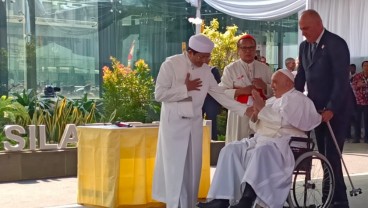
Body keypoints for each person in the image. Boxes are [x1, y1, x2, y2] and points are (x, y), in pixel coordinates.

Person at [197, 69, 321, 208]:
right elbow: (257, 126)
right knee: (230, 149)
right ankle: (222, 198)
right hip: (262, 139)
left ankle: (247, 199)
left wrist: (262, 110)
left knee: (261, 151)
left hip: (285, 142)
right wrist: (256, 115)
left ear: (287, 82)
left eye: (275, 81)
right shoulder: (272, 100)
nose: (271, 85)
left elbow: (284, 123)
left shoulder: (298, 99)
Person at [152, 34, 250, 208]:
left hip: (194, 123)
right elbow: (159, 94)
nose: (205, 61)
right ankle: (174, 205)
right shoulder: (171, 64)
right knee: (175, 168)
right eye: (202, 57)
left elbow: (219, 94)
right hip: (174, 126)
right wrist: (184, 88)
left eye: (207, 57)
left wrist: (245, 110)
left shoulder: (206, 70)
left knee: (193, 168)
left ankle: (189, 204)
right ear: (190, 53)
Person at [295, 9, 353, 208]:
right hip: (315, 110)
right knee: (323, 156)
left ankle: (336, 200)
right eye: (301, 29)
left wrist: (331, 107)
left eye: (306, 28)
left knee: (332, 155)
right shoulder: (304, 47)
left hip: (336, 109)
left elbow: (341, 80)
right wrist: (291, 99)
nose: (303, 32)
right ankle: (334, 198)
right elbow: (301, 77)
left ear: (318, 24)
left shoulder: (336, 43)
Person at [219, 34, 272, 143]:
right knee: (238, 144)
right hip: (239, 113)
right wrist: (242, 91)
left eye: (251, 48)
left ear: (255, 49)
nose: (248, 51)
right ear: (238, 50)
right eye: (244, 48)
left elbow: (277, 92)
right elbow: (221, 92)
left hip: (260, 113)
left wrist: (264, 86)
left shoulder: (265, 68)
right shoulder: (230, 69)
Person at [202, 64, 222, 140]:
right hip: (199, 99)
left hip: (211, 99)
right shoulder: (193, 70)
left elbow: (218, 86)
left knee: (211, 120)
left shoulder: (213, 70)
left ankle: (212, 140)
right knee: (196, 121)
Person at [350, 61, 368, 143]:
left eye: (367, 65)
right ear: (362, 67)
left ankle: (367, 138)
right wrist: (358, 85)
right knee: (357, 120)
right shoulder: (358, 76)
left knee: (367, 120)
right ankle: (357, 137)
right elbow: (353, 86)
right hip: (359, 101)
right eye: (364, 65)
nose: (366, 67)